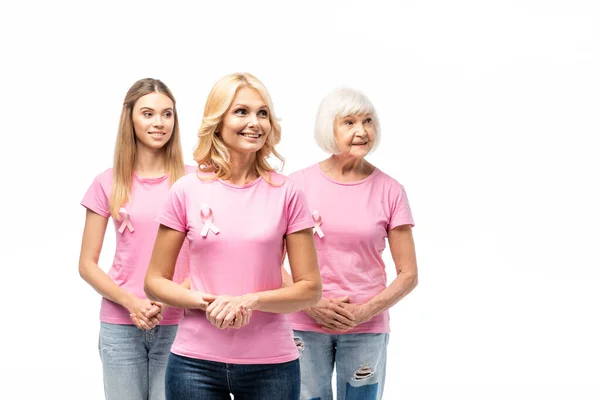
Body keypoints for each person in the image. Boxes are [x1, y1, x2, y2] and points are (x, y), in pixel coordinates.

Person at [144, 72, 322, 400]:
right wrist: (208, 303)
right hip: (193, 364)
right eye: (241, 111)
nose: (255, 122)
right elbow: (155, 281)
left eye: (262, 113)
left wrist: (249, 301)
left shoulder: (288, 193)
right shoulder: (186, 190)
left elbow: (310, 289)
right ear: (218, 121)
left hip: (273, 366)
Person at [283, 87, 418, 400]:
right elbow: (269, 258)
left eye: (368, 121)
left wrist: (364, 312)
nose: (362, 131)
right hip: (303, 323)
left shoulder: (390, 190)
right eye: (350, 122)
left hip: (366, 326)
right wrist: (309, 303)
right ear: (329, 128)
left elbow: (408, 274)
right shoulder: (297, 184)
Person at [79, 78, 193, 400]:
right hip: (120, 323)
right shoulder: (107, 182)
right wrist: (132, 303)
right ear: (130, 118)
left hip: (180, 323)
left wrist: (169, 297)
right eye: (148, 113)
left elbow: (211, 256)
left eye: (167, 114)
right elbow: (87, 264)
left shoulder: (193, 180)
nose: (159, 123)